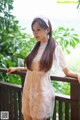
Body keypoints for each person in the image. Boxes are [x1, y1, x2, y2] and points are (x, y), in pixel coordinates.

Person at [7, 16, 80, 120]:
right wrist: (16, 68)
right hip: (29, 89)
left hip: (41, 92)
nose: (35, 33)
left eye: (38, 29)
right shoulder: (36, 47)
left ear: (48, 29)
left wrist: (77, 75)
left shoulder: (55, 47)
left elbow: (67, 71)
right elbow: (32, 68)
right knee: (27, 117)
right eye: (33, 30)